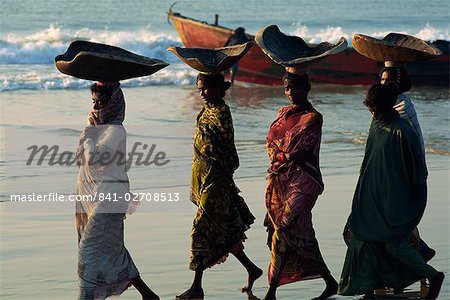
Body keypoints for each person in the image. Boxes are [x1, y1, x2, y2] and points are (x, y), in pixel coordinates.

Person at [337, 83, 444, 299]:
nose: (374, 113)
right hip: (369, 198)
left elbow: (419, 171)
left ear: (389, 106)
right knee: (361, 239)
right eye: (371, 109)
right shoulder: (376, 126)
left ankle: (433, 275)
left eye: (377, 109)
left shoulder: (403, 131)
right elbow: (368, 161)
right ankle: (369, 288)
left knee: (393, 244)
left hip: (393, 201)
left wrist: (413, 202)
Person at [176, 73, 262, 299]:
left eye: (205, 89)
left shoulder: (222, 113)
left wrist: (218, 172)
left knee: (201, 229)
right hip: (204, 176)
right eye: (200, 89)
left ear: (218, 89)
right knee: (225, 229)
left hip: (217, 178)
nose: (202, 93)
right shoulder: (205, 111)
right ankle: (252, 269)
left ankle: (196, 287)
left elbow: (224, 146)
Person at [76, 82, 159, 300]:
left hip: (109, 199)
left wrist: (89, 135)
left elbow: (95, 157)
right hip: (95, 198)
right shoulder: (97, 127)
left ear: (113, 104)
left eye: (101, 102)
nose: (96, 107)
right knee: (113, 248)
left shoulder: (115, 131)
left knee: (89, 250)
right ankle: (148, 294)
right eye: (93, 102)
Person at [263, 71, 338, 300]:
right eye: (287, 88)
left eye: (295, 87)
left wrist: (281, 157)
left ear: (307, 88)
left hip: (304, 181)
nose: (290, 93)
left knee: (283, 228)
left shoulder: (313, 117)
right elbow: (271, 142)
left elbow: (301, 151)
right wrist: (279, 158)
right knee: (300, 234)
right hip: (281, 180)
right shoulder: (282, 113)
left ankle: (271, 292)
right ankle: (329, 282)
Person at [380, 65, 436, 262]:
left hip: (406, 170)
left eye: (389, 81)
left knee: (396, 217)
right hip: (393, 170)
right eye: (382, 80)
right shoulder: (387, 105)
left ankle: (420, 252)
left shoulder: (403, 106)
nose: (385, 84)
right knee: (397, 217)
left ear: (400, 84)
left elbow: (408, 143)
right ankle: (421, 250)